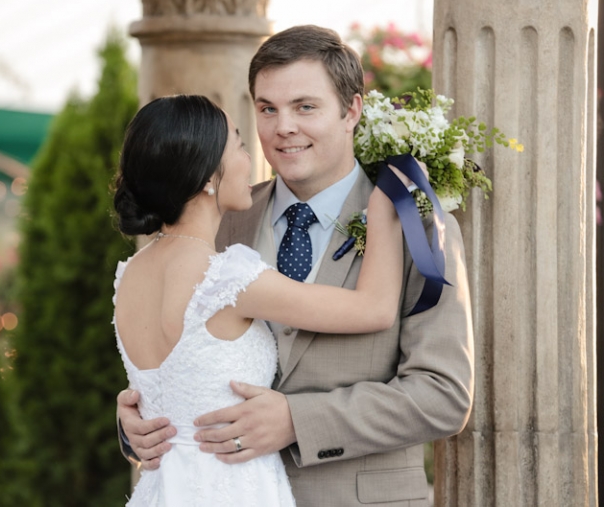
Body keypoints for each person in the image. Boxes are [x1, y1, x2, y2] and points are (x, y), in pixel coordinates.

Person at [117, 25, 475, 507]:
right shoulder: (214, 227)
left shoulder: (414, 225)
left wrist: (297, 420)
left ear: (352, 111)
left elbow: (443, 395)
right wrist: (134, 422)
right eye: (267, 109)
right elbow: (180, 362)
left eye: (305, 107)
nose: (283, 126)